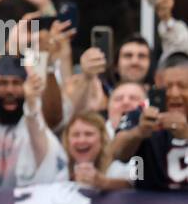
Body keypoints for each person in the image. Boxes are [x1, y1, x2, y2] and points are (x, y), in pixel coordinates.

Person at [0, 55, 66, 187]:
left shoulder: (33, 124)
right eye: (3, 83)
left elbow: (36, 120)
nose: (9, 90)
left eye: (16, 83)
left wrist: (31, 100)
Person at [109, 52, 188, 191]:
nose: (174, 94)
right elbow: (116, 152)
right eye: (167, 87)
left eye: (182, 86)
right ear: (157, 84)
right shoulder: (141, 114)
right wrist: (139, 132)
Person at [62, 111, 129, 191]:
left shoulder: (115, 167)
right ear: (67, 140)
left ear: (102, 139)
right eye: (76, 135)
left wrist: (103, 182)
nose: (82, 140)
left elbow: (132, 186)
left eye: (89, 134)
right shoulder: (60, 169)